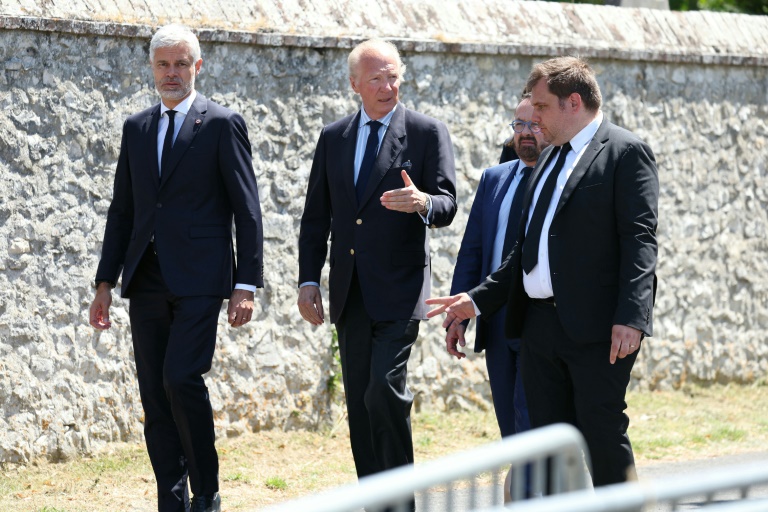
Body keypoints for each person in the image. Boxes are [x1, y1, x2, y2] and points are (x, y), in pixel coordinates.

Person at [427, 56, 658, 487]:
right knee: (546, 445)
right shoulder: (548, 159)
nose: (533, 117)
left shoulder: (625, 152)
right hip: (538, 327)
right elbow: (525, 254)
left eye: (541, 106)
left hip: (598, 330)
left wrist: (631, 317)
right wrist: (475, 300)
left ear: (573, 102)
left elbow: (640, 241)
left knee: (600, 433)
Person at [89, 24, 263, 512]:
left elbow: (247, 210)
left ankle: (205, 493)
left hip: (202, 280)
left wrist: (245, 284)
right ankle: (172, 499)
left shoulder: (223, 123)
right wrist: (105, 283)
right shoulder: (137, 128)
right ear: (152, 68)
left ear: (198, 66)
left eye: (181, 63)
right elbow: (123, 211)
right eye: (163, 64)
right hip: (144, 278)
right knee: (153, 392)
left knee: (181, 378)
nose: (172, 73)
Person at [297, 39, 457, 485]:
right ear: (355, 85)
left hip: (400, 290)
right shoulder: (333, 138)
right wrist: (308, 280)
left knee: (383, 391)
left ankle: (399, 498)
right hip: (350, 292)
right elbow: (315, 218)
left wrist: (422, 201)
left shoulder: (426, 133)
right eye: (376, 78)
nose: (388, 86)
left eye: (393, 76)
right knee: (360, 406)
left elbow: (447, 204)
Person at [448, 94, 549, 439]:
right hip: (495, 319)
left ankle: (537, 491)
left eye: (534, 124)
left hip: (539, 320)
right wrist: (458, 313)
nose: (525, 132)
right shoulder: (495, 178)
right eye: (519, 124)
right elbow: (472, 250)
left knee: (530, 424)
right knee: (510, 428)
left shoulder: (559, 180)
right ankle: (524, 490)